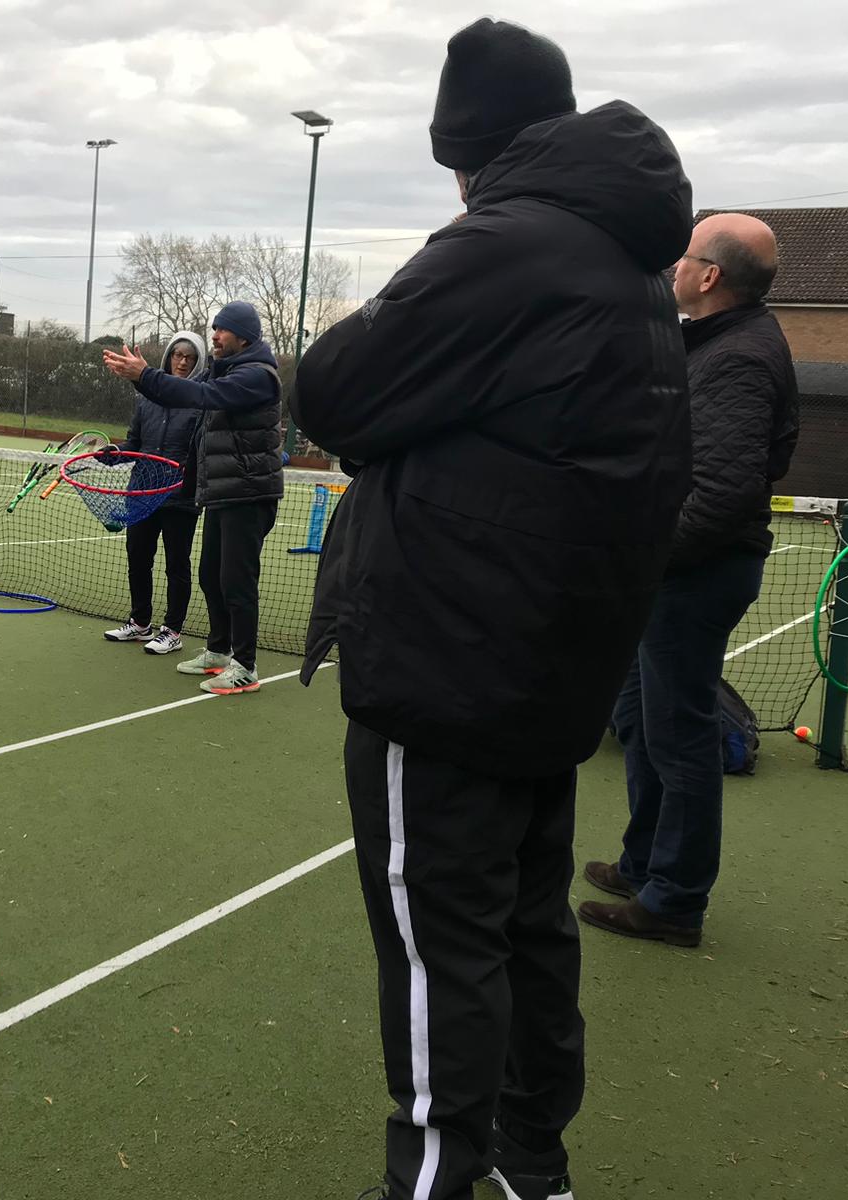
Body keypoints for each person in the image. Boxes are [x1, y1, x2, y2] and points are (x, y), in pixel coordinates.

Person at [292, 18, 693, 1200]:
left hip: (452, 658)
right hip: (550, 661)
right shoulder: (625, 255)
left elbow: (336, 390)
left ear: (469, 147)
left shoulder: (505, 243)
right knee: (526, 926)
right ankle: (532, 1161)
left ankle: (433, 1179)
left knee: (436, 947)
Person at [579, 213, 798, 948]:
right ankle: (644, 865)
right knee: (645, 724)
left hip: (694, 577)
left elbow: (723, 493)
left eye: (687, 256)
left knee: (680, 738)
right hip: (678, 574)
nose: (674, 265)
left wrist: (644, 557)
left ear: (710, 278)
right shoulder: (712, 342)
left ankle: (673, 900)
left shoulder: (738, 357)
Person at [102, 301, 283, 696]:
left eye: (222, 330)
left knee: (237, 581)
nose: (214, 336)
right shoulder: (232, 372)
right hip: (222, 493)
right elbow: (182, 397)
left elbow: (197, 396)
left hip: (249, 494)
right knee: (211, 575)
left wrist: (146, 374)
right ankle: (219, 651)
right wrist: (142, 380)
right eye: (214, 328)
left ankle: (246, 667)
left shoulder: (256, 377)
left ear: (244, 337)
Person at [101, 333, 206, 655]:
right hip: (141, 494)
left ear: (197, 361)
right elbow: (135, 444)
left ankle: (172, 631)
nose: (183, 361)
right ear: (169, 357)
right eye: (178, 354)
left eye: (189, 357)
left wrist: (188, 480)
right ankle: (140, 622)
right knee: (138, 559)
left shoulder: (200, 399)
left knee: (176, 564)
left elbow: (202, 451)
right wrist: (116, 452)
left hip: (179, 498)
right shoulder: (146, 399)